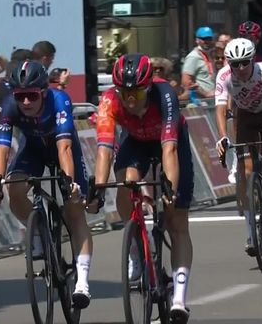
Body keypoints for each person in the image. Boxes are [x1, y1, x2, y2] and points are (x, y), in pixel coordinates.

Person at [92, 54, 194, 322]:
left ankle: (180, 298)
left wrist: (170, 189)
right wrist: (98, 189)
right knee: (125, 184)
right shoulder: (109, 100)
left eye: (135, 92)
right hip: (136, 141)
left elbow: (169, 149)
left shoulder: (165, 96)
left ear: (147, 87)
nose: (129, 98)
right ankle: (137, 245)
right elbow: (104, 150)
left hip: (170, 141)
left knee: (177, 221)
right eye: (123, 91)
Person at [0, 60, 93, 309]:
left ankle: (83, 282)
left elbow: (64, 147)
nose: (25, 103)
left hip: (62, 150)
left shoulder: (59, 100)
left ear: (43, 92)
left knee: (75, 210)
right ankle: (37, 234)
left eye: (31, 96)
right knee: (15, 188)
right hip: (32, 150)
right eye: (20, 96)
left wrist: (69, 183)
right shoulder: (9, 106)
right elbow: (1, 151)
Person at [215, 38, 262, 256]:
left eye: (245, 62)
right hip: (246, 117)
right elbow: (220, 110)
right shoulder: (223, 76)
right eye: (235, 64)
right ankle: (250, 232)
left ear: (252, 59)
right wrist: (222, 137)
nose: (240, 68)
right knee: (246, 170)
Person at [180, 26, 216, 101]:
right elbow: (186, 82)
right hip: (200, 102)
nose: (207, 41)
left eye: (209, 39)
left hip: (211, 101)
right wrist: (205, 94)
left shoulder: (210, 55)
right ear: (197, 40)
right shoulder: (193, 57)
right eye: (204, 39)